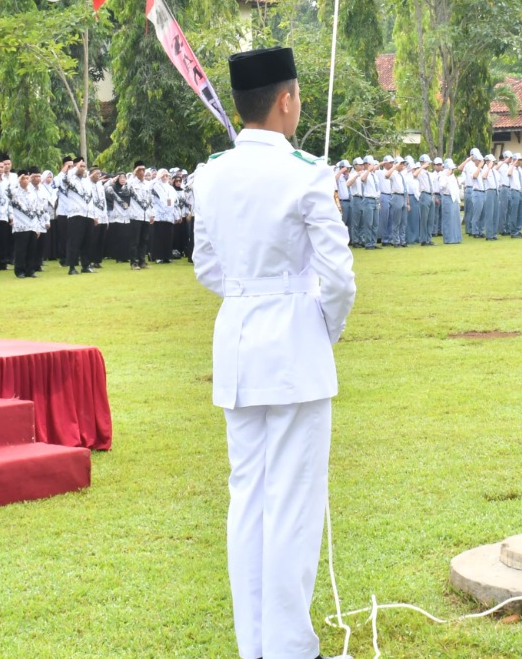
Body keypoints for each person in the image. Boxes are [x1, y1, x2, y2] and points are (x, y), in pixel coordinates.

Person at [192, 46, 356, 659]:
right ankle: (290, 646)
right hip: (294, 345)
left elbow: (207, 265)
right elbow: (339, 278)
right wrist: (320, 326)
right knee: (292, 506)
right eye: (297, 96)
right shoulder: (306, 171)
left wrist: (248, 292)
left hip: (238, 343)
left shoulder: (209, 174)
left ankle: (256, 645)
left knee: (248, 503)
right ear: (285, 101)